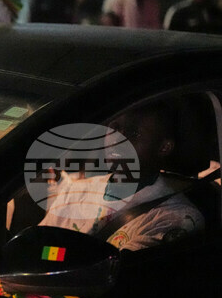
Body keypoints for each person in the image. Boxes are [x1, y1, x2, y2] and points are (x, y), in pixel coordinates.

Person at [38, 101, 204, 251]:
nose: (117, 139)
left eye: (134, 133)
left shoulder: (174, 218)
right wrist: (54, 259)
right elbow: (38, 248)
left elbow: (109, 272)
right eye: (115, 128)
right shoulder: (75, 191)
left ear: (164, 147)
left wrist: (56, 258)